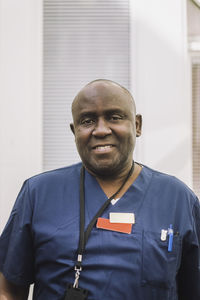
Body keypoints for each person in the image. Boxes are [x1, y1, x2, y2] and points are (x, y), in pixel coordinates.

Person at [0, 79, 199, 300]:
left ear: (137, 125)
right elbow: (8, 290)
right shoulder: (38, 193)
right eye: (87, 121)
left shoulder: (177, 199)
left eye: (114, 117)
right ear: (74, 131)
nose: (101, 130)